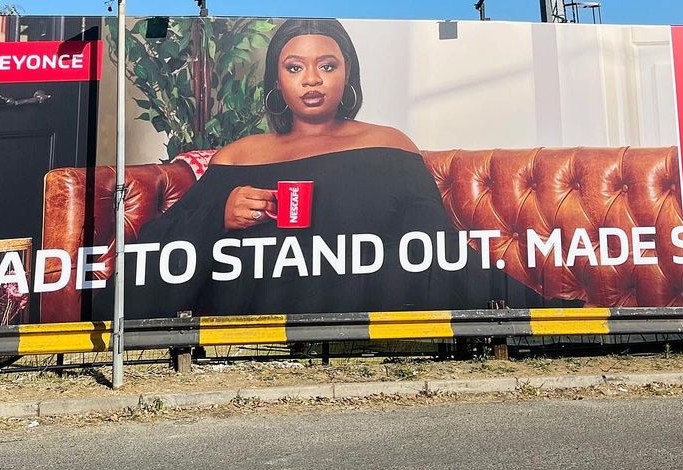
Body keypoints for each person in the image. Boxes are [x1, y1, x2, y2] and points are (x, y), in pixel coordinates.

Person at [125, 17, 538, 318]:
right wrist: (219, 215)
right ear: (276, 80)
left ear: (347, 74)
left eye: (326, 66)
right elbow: (153, 250)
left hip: (365, 303)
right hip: (250, 310)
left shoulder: (387, 143)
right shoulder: (240, 155)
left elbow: (437, 251)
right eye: (294, 68)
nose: (312, 81)